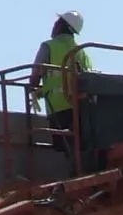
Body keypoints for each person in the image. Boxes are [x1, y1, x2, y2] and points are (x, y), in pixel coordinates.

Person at [33, 11, 94, 146]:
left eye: (57, 22)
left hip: (59, 108)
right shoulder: (82, 51)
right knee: (80, 147)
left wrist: (35, 89)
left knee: (67, 146)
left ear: (62, 26)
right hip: (82, 108)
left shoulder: (48, 46)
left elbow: (34, 79)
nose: (54, 25)